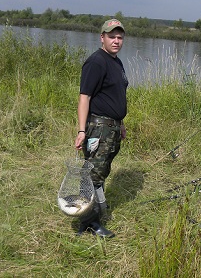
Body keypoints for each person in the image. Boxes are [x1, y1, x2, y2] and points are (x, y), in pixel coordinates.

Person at [74, 19, 128, 238]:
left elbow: (117, 96)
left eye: (119, 37)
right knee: (93, 174)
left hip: (113, 127)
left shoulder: (116, 62)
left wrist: (121, 123)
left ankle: (94, 214)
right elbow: (84, 97)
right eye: (111, 36)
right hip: (99, 127)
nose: (116, 41)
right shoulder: (96, 62)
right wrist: (81, 131)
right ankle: (88, 223)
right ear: (102, 38)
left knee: (102, 170)